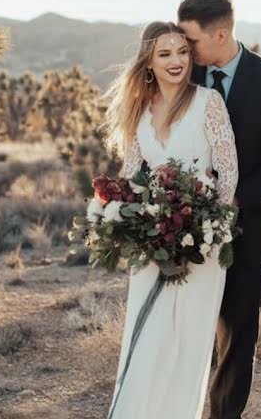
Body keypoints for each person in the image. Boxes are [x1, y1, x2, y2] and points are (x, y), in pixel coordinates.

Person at [102, 21, 238, 418]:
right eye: (165, 54)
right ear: (149, 61)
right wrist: (135, 226)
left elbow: (227, 173)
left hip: (200, 247)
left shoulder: (208, 102)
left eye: (182, 51)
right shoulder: (139, 110)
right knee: (147, 338)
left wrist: (202, 230)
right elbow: (130, 179)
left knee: (187, 342)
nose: (176, 60)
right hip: (150, 247)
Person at [178, 0, 261, 419]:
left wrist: (232, 198)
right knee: (188, 330)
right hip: (182, 228)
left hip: (246, 230)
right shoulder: (183, 78)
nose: (183, 48)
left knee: (236, 337)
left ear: (221, 33)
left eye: (190, 40)